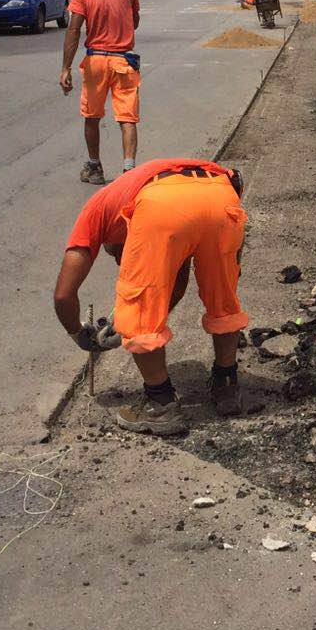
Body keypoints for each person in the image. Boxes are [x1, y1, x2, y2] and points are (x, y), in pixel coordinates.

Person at [52, 158, 253, 434]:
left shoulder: (96, 211)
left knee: (139, 313)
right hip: (220, 193)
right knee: (224, 299)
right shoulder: (128, 192)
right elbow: (176, 284)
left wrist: (80, 335)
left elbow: (63, 295)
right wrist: (119, 326)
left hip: (162, 204)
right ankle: (227, 386)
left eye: (118, 254)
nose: (121, 261)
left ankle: (160, 404)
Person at [60, 0, 140, 185]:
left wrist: (66, 67)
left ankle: (95, 168)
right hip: (124, 62)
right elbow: (134, 22)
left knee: (91, 116)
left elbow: (74, 29)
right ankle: (129, 171)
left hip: (95, 61)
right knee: (127, 118)